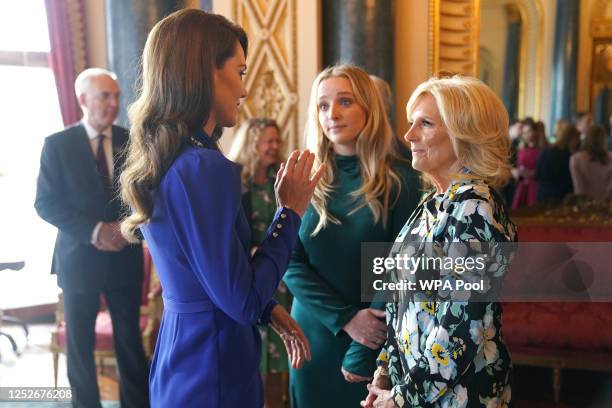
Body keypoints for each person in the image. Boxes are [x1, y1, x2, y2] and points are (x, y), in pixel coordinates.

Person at [119, 9, 323, 408]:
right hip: (213, 364)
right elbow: (240, 301)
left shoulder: (175, 157)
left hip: (183, 351)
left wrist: (270, 308)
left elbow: (211, 274)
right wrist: (290, 213)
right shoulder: (203, 167)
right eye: (241, 71)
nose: (244, 89)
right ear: (206, 72)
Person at [362, 75, 516, 408]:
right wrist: (385, 371)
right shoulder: (433, 202)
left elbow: (462, 326)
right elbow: (399, 300)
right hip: (417, 390)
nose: (409, 135)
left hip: (458, 397)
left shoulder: (476, 208)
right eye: (411, 122)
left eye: (426, 124)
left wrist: (402, 398)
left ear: (465, 133)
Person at [283, 64, 421, 408]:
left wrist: (363, 343)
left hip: (374, 335)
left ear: (368, 108)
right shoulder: (301, 175)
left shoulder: (401, 179)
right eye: (323, 105)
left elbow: (402, 265)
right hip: (313, 333)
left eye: (345, 101)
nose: (333, 114)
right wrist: (344, 318)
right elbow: (287, 259)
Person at [34, 68, 149, 408]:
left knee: (129, 344)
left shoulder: (133, 141)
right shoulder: (57, 145)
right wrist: (95, 231)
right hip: (78, 259)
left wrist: (125, 229)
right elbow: (45, 203)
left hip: (124, 258)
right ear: (83, 100)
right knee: (79, 347)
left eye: (115, 96)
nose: (114, 103)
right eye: (105, 96)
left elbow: (146, 196)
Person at [227, 118, 292, 404]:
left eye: (277, 141)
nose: (274, 147)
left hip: (285, 274)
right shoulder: (239, 183)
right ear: (253, 144)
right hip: (254, 274)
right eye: (269, 141)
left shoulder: (282, 180)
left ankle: (282, 400)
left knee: (285, 345)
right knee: (258, 350)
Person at [536, 121, 580, 205]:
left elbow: (538, 173)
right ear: (571, 138)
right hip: (561, 197)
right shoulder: (569, 157)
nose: (578, 142)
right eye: (577, 138)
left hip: (543, 194)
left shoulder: (546, 152)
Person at [569, 125, 612, 201]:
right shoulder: (610, 158)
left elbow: (579, 189)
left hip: (586, 205)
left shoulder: (576, 159)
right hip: (607, 205)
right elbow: (610, 188)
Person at [511, 118, 542, 208]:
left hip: (535, 186)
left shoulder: (541, 150)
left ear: (535, 132)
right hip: (521, 185)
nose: (526, 135)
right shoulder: (521, 149)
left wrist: (533, 173)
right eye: (524, 132)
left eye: (529, 131)